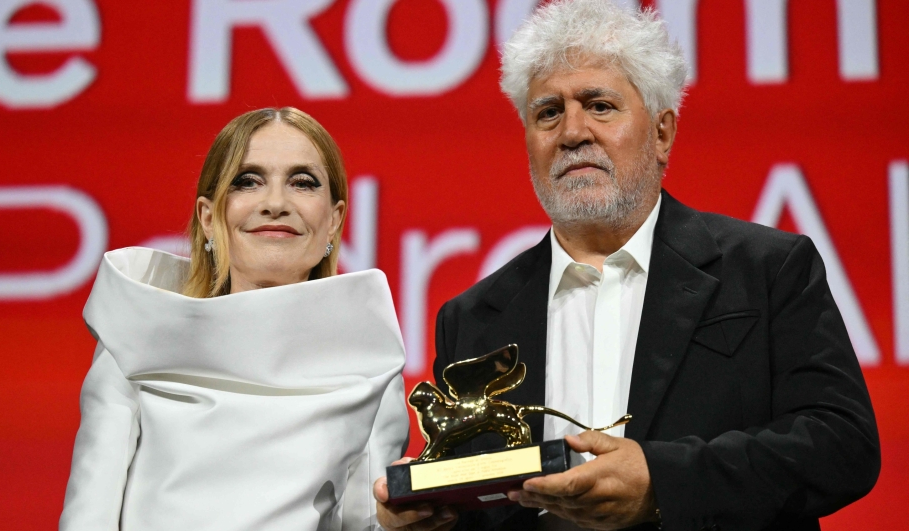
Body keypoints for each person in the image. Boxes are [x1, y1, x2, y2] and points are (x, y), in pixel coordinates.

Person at [374, 1, 880, 530]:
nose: (572, 132)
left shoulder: (766, 270)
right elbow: (481, 500)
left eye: (599, 105)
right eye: (548, 112)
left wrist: (663, 482)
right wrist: (426, 514)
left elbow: (842, 444)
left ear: (662, 133)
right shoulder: (472, 317)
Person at [60, 107, 408, 531]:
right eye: (248, 181)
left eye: (302, 183)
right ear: (208, 217)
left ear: (333, 220)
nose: (275, 203)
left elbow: (366, 522)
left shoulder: (367, 355)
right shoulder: (140, 335)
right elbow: (88, 516)